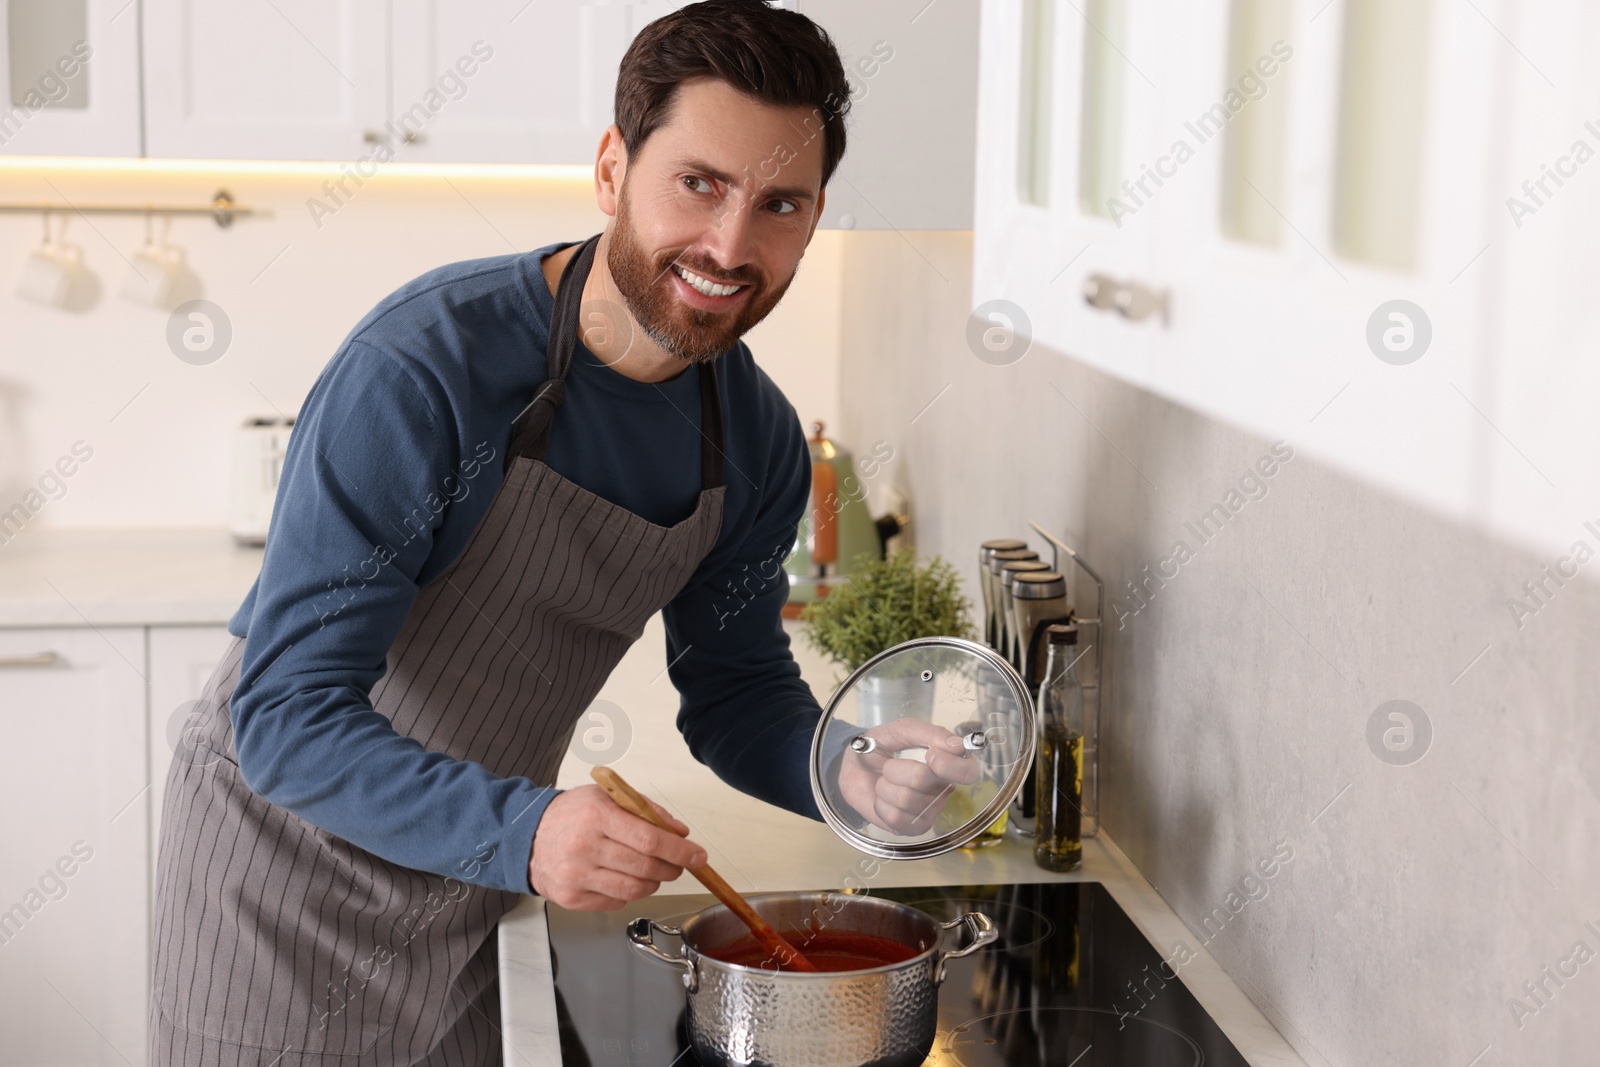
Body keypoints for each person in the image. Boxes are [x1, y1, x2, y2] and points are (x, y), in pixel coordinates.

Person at [149, 3, 970, 1064]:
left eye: (778, 203)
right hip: (279, 887)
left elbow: (736, 691)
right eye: (698, 183)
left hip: (473, 885)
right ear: (610, 169)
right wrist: (528, 830)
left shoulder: (754, 438)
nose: (729, 245)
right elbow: (285, 713)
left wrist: (841, 768)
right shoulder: (425, 370)